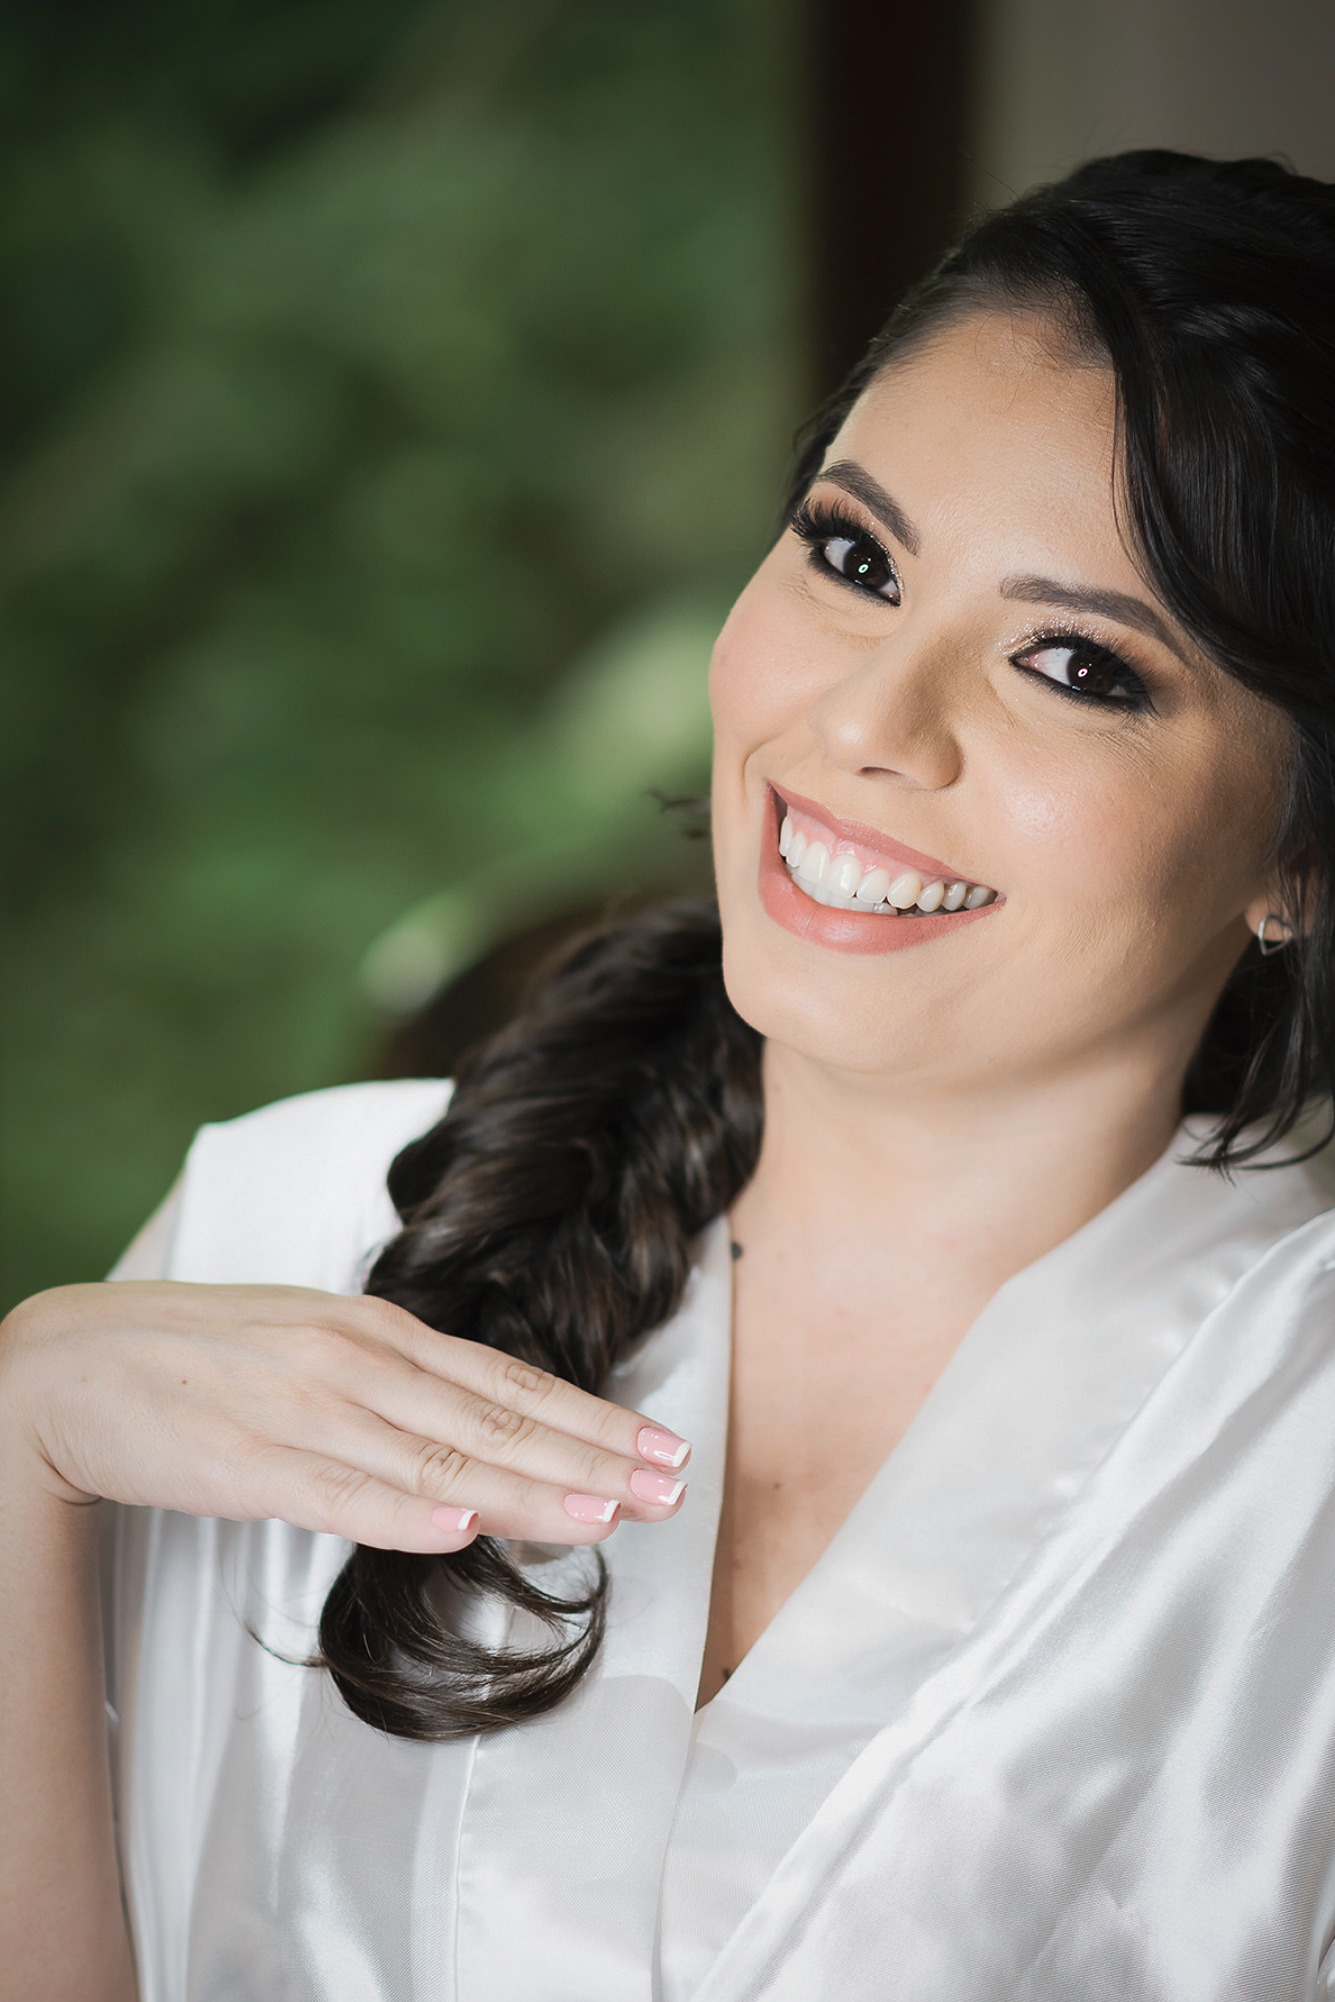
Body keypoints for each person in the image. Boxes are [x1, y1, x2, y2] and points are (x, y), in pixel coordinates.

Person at [6, 148, 1335, 2002]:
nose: (863, 722)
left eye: (1074, 662)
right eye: (855, 558)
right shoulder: (284, 1232)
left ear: (1297, 855)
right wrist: (23, 1448)